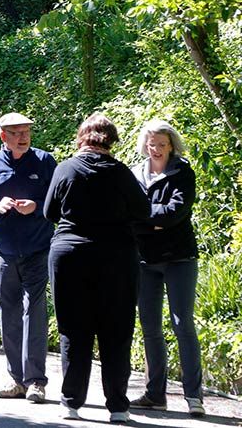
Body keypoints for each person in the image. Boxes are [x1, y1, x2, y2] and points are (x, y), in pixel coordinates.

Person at [43, 113, 150, 423]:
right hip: (116, 256)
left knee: (74, 329)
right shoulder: (121, 173)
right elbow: (143, 210)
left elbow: (50, 211)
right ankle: (118, 407)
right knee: (116, 331)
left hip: (70, 254)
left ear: (82, 139)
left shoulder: (65, 169)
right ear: (111, 141)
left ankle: (71, 402)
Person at [0, 112, 57, 403]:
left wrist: (37, 206)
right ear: (3, 136)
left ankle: (36, 382)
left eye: (27, 132)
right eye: (17, 133)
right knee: (9, 314)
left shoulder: (45, 162)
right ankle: (16, 380)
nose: (23, 137)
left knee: (34, 312)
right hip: (4, 252)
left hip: (38, 248)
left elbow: (59, 202)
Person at [129, 120, 205, 417]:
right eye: (152, 144)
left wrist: (144, 220)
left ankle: (194, 397)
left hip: (179, 258)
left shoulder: (182, 171)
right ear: (144, 145)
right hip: (145, 259)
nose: (157, 149)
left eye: (162, 144)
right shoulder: (135, 174)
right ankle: (154, 395)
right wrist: (153, 223)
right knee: (150, 327)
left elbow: (175, 213)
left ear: (172, 145)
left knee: (182, 324)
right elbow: (129, 215)